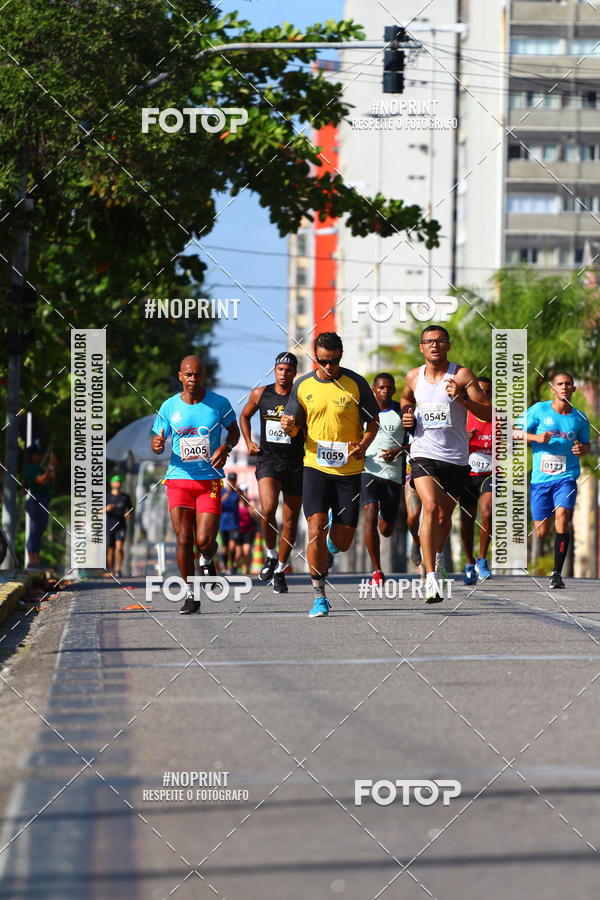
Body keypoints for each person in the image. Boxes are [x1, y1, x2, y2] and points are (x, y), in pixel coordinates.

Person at [281, 332, 380, 617]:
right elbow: (294, 424)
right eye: (324, 361)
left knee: (343, 541)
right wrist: (289, 425)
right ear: (315, 357)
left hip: (349, 470)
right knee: (316, 526)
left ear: (341, 356)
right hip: (315, 466)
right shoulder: (302, 386)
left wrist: (363, 445)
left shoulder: (356, 383)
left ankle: (330, 545)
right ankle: (319, 595)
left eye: (334, 361)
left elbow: (373, 420)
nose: (329, 367)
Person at [401, 325, 492, 603]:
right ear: (421, 348)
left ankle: (435, 562)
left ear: (448, 346)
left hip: (454, 458)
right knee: (429, 507)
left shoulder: (461, 375)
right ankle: (430, 578)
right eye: (429, 341)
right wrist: (407, 413)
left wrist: (461, 398)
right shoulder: (414, 376)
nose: (434, 345)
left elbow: (487, 411)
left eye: (440, 341)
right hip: (422, 453)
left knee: (443, 517)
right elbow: (406, 398)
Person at [151, 355, 240, 614]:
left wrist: (227, 446)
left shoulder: (218, 404)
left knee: (204, 540)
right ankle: (191, 594)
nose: (193, 379)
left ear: (204, 376)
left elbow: (233, 431)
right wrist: (156, 445)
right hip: (178, 479)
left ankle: (207, 558)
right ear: (180, 376)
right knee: (183, 539)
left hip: (209, 480)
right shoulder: (168, 407)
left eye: (197, 375)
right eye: (188, 375)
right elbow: (158, 439)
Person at [240, 351, 305, 593]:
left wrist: (296, 428)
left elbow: (309, 428)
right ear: (274, 370)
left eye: (288, 370)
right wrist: (248, 442)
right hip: (268, 460)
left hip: (295, 463)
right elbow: (244, 416)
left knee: (290, 520)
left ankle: (279, 569)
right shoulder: (261, 394)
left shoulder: (301, 398)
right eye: (280, 369)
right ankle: (270, 553)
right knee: (267, 509)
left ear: (294, 373)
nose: (284, 373)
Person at [522, 371, 590, 589]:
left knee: (563, 515)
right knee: (541, 532)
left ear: (573, 389)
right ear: (553, 389)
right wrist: (535, 438)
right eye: (559, 383)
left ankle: (556, 573)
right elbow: (514, 432)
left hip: (566, 477)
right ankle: (547, 526)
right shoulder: (539, 411)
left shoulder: (579, 418)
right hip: (540, 480)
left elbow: (586, 444)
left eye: (568, 383)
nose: (563, 386)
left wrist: (583, 448)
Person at [360, 373, 408, 585]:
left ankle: (384, 514)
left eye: (389, 387)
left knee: (386, 529)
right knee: (369, 516)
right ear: (373, 389)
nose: (385, 391)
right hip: (368, 471)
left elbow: (417, 442)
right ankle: (377, 571)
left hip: (393, 475)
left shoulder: (401, 412)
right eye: (381, 387)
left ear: (394, 390)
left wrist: (399, 451)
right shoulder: (362, 412)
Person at [459, 377, 493, 584]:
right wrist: (463, 435)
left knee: (487, 512)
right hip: (466, 473)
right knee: (466, 522)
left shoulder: (498, 416)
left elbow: (511, 440)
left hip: (490, 474)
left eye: (488, 392)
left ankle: (482, 559)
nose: (484, 395)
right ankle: (469, 562)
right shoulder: (463, 414)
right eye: (480, 391)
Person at [24, 440, 58, 568]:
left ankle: (36, 558)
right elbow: (42, 480)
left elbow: (51, 482)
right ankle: (32, 560)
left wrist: (52, 467)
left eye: (40, 453)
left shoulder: (40, 468)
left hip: (44, 500)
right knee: (34, 530)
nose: (39, 456)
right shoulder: (31, 468)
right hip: (35, 500)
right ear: (32, 455)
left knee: (40, 530)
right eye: (37, 454)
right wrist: (50, 465)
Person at [106, 475, 133, 578]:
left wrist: (128, 514)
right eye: (116, 482)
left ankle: (119, 569)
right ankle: (112, 570)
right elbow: (97, 511)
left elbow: (130, 510)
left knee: (119, 547)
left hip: (121, 525)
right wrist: (106, 509)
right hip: (110, 525)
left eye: (120, 481)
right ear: (112, 484)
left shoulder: (125, 497)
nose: (119, 483)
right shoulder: (107, 496)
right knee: (111, 549)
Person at [236, 482, 261, 575]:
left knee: (246, 552)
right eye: (244, 491)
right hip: (238, 531)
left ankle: (245, 573)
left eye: (247, 490)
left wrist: (254, 510)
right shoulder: (236, 502)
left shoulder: (250, 502)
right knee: (238, 554)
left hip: (248, 530)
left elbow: (259, 518)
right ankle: (234, 567)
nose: (246, 492)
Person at [220, 472, 240, 574]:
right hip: (223, 523)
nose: (232, 482)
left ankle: (231, 565)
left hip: (234, 523)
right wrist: (224, 497)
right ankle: (225, 566)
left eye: (234, 480)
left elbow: (243, 503)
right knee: (224, 547)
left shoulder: (237, 492)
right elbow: (217, 504)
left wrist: (238, 491)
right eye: (231, 480)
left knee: (232, 546)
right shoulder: (223, 492)